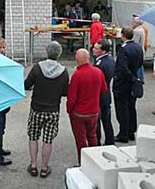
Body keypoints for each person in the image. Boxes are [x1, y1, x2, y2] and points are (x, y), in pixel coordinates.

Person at [24, 41, 69, 178]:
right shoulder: (63, 71)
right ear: (59, 54)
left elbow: (26, 85)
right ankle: (44, 168)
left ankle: (33, 165)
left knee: (33, 137)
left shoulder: (37, 68)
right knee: (48, 140)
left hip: (36, 108)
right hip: (53, 110)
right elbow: (65, 92)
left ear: (46, 52)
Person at [67, 49, 107, 164]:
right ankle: (94, 162)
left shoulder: (77, 75)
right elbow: (104, 89)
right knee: (92, 136)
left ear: (77, 60)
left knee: (81, 140)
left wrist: (69, 110)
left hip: (79, 113)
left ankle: (83, 164)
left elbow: (72, 98)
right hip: (93, 112)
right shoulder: (98, 72)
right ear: (88, 58)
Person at [113, 27, 143, 143]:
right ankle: (131, 131)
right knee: (131, 107)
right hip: (134, 80)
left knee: (122, 108)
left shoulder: (124, 49)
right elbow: (140, 63)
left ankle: (123, 133)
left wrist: (130, 77)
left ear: (123, 35)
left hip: (123, 83)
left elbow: (122, 67)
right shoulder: (137, 47)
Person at [0, 38, 12, 166]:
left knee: (2, 126)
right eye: (0, 47)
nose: (2, 50)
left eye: (4, 47)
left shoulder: (4, 60)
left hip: (3, 98)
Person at [92, 39, 115, 146]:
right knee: (107, 119)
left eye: (96, 48)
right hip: (106, 94)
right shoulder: (110, 60)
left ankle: (97, 141)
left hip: (99, 95)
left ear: (103, 51)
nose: (93, 49)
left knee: (97, 119)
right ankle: (110, 140)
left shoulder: (100, 63)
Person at [131, 16, 146, 80]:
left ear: (136, 23)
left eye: (133, 22)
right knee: (140, 65)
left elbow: (135, 42)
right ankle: (141, 79)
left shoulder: (136, 31)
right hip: (141, 50)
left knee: (137, 67)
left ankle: (138, 79)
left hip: (137, 52)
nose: (132, 23)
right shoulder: (142, 29)